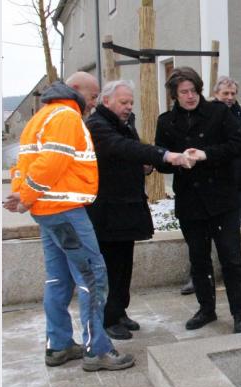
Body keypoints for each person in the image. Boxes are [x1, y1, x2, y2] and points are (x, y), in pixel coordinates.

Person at [4, 72, 134, 371]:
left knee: (58, 278)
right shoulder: (66, 116)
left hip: (47, 212)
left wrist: (24, 196)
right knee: (93, 277)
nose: (94, 103)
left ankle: (59, 345)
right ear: (75, 90)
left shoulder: (40, 117)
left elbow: (22, 164)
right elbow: (51, 164)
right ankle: (97, 350)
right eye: (93, 96)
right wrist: (26, 197)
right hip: (66, 211)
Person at [85, 80, 199, 340]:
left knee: (124, 264)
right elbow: (122, 148)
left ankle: (119, 310)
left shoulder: (123, 123)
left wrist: (144, 166)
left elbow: (128, 155)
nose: (128, 107)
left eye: (131, 102)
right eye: (123, 102)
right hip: (107, 210)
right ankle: (108, 318)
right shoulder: (97, 125)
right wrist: (164, 155)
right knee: (111, 266)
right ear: (106, 101)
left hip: (127, 207)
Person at [155, 66, 241, 334]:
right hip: (190, 201)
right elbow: (160, 159)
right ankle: (206, 309)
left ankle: (240, 312)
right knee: (198, 259)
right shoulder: (166, 121)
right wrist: (177, 160)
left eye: (193, 91)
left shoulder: (218, 113)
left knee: (231, 258)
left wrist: (205, 154)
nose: (190, 96)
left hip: (222, 199)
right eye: (184, 92)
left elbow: (238, 146)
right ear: (175, 95)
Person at [179, 76, 241, 296]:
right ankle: (197, 278)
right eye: (225, 94)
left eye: (233, 94)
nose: (230, 98)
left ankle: (235, 278)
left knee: (230, 238)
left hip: (236, 186)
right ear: (216, 94)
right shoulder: (206, 116)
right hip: (208, 187)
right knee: (199, 242)